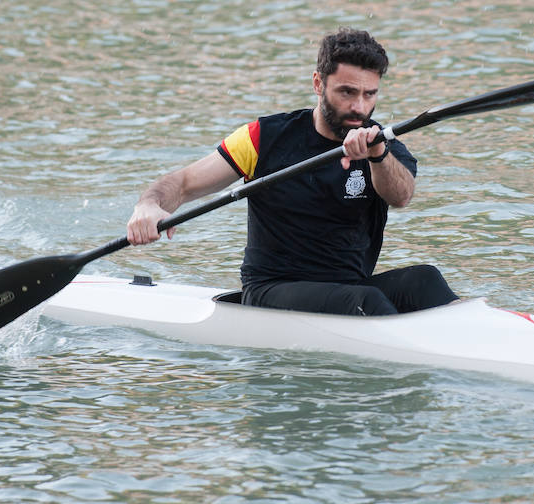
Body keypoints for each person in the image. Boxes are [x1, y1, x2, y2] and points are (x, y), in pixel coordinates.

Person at [127, 28, 458, 316]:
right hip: (272, 290)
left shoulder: (383, 144)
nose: (359, 107)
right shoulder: (263, 138)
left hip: (349, 289)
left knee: (424, 280)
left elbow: (401, 197)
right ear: (318, 83)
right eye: (347, 92)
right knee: (367, 302)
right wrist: (150, 204)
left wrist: (377, 155)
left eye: (369, 94)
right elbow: (183, 184)